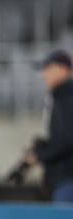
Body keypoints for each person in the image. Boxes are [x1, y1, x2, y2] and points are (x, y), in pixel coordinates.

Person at [25, 50, 73, 202]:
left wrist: (39, 154)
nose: (43, 74)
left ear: (63, 69)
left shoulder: (67, 97)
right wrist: (43, 145)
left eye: (48, 68)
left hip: (68, 181)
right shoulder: (60, 97)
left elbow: (67, 139)